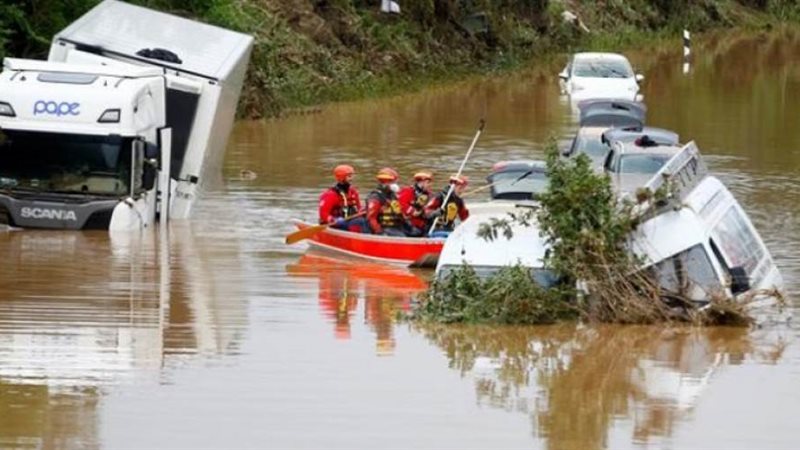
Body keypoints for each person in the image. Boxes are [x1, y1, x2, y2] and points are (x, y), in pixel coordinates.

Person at [318, 164, 367, 232]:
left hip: (349, 221)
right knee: (360, 222)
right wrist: (333, 220)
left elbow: (358, 208)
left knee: (366, 220)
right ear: (342, 177)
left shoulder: (353, 192)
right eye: (349, 176)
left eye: (352, 176)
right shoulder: (330, 195)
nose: (351, 179)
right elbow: (323, 214)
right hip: (335, 224)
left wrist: (364, 210)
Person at [366, 167, 406, 236]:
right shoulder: (376, 197)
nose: (395, 184)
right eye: (393, 182)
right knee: (401, 236)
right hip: (384, 227)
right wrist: (380, 232)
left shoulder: (392, 195)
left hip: (396, 226)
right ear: (385, 182)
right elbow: (371, 218)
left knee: (416, 232)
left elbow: (399, 212)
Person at [398, 171, 434, 237]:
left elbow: (429, 208)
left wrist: (431, 213)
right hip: (409, 225)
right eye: (428, 182)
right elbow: (400, 204)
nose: (430, 185)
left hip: (423, 225)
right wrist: (412, 211)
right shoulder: (408, 191)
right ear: (421, 182)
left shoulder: (429, 195)